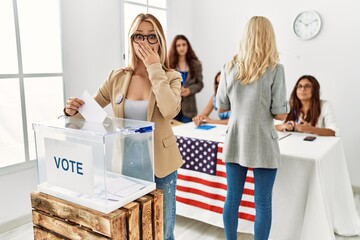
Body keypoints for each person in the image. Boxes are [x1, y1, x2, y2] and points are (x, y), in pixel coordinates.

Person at [64, 13, 183, 240]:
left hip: (161, 167)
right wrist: (72, 110)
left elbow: (170, 110)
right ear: (131, 40)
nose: (145, 43)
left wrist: (154, 68)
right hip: (126, 168)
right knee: (132, 230)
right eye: (139, 36)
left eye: (151, 37)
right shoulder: (117, 77)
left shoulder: (171, 76)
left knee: (163, 232)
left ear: (160, 41)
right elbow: (89, 112)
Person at [216, 16, 288, 240]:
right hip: (264, 142)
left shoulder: (228, 67)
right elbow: (280, 113)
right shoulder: (276, 69)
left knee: (232, 198)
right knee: (263, 203)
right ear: (269, 38)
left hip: (235, 140)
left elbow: (221, 108)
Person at [275, 75, 339, 136]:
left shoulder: (325, 105)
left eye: (307, 86)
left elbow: (333, 132)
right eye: (300, 86)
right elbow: (274, 127)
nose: (302, 89)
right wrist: (284, 126)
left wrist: (310, 129)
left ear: (315, 90)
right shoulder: (288, 105)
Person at [168, 34, 204, 123]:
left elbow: (200, 84)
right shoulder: (169, 65)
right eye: (178, 45)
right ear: (174, 48)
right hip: (173, 108)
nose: (181, 48)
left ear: (188, 46)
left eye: (184, 45)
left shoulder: (196, 64)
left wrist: (189, 90)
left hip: (189, 109)